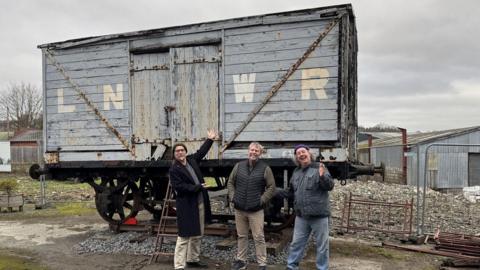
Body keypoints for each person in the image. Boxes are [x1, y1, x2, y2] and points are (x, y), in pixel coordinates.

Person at [169, 129, 217, 270]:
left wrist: (210, 140)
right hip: (186, 205)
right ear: (174, 154)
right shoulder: (174, 169)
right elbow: (180, 187)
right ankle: (179, 265)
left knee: (198, 233)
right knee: (184, 235)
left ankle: (192, 259)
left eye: (182, 150)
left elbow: (201, 152)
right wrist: (198, 187)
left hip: (200, 202)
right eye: (177, 151)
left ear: (185, 152)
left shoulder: (191, 160)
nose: (180, 153)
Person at [284, 144, 335, 270]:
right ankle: (291, 267)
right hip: (302, 216)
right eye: (298, 153)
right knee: (296, 244)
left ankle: (322, 268)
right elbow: (290, 192)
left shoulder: (320, 167)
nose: (301, 154)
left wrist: (323, 176)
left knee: (322, 246)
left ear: (309, 153)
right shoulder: (296, 172)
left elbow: (329, 186)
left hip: (319, 216)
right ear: (297, 158)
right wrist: (273, 191)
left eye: (303, 152)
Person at [227, 142, 276, 270]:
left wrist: (261, 200)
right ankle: (241, 261)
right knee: (242, 236)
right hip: (239, 209)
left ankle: (262, 263)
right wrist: (233, 197)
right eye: (252, 150)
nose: (253, 152)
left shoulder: (265, 168)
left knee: (258, 237)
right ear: (248, 151)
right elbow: (230, 182)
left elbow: (271, 187)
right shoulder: (238, 166)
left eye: (256, 151)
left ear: (260, 153)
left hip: (256, 210)